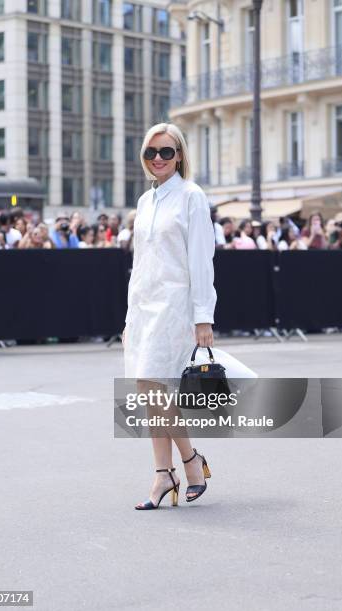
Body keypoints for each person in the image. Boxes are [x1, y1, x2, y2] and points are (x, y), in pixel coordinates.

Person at [122, 122, 215, 510]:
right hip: (143, 306)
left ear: (179, 156)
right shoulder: (145, 202)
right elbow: (140, 264)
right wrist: (128, 319)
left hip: (175, 306)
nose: (158, 159)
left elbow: (201, 259)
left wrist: (203, 317)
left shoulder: (192, 197)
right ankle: (169, 470)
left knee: (157, 388)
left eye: (166, 152)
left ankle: (184, 465)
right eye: (151, 153)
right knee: (149, 390)